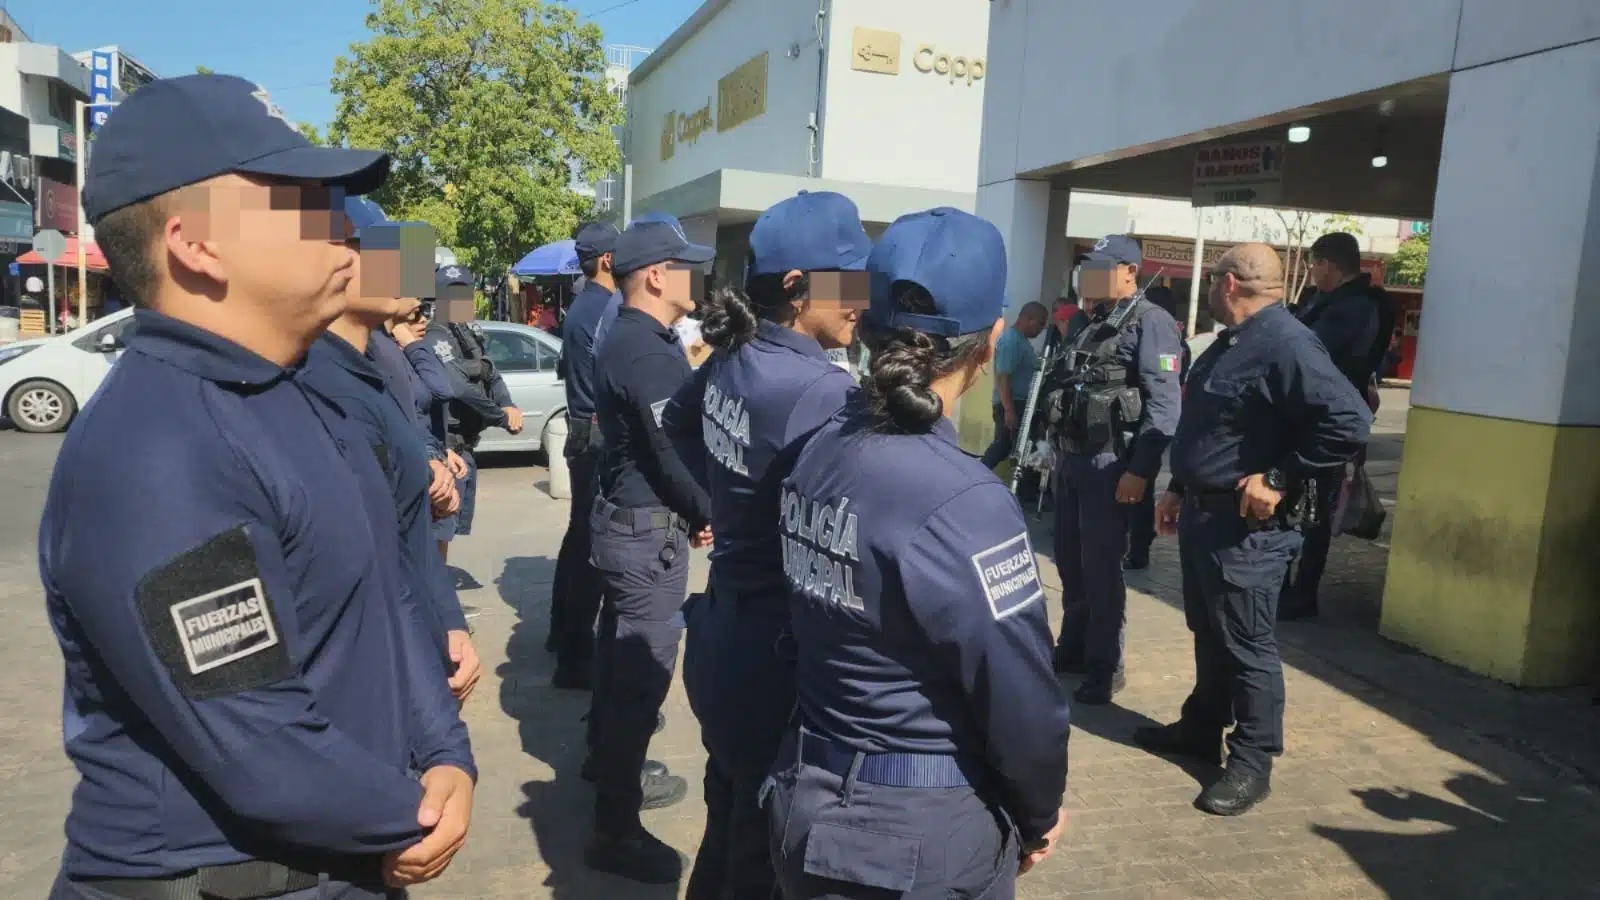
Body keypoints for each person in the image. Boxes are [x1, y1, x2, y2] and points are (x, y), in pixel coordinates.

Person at [40, 73, 474, 899]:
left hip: (346, 855)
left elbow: (389, 600)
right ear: (195, 244)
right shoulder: (157, 447)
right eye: (302, 198)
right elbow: (255, 739)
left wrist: (446, 749)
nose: (342, 224)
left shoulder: (306, 393)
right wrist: (411, 808)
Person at [765, 208, 1069, 899]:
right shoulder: (966, 500)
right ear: (991, 340)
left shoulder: (817, 447)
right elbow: (1021, 698)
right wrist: (1038, 816)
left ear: (864, 325)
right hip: (914, 839)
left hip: (806, 798)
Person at [662, 191, 870, 900]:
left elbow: (680, 427)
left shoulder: (734, 355)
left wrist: (723, 503)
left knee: (727, 827)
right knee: (761, 856)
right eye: (850, 283)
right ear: (795, 287)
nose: (861, 303)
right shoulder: (817, 389)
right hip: (775, 653)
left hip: (726, 630)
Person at [1136, 243, 1370, 816]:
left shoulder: (1286, 342)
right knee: (1210, 632)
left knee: (1247, 644)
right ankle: (1201, 727)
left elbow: (1349, 422)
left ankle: (1252, 761)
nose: (1210, 287)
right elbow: (1215, 424)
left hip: (1248, 530)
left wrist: (1278, 476)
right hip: (1204, 514)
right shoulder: (1234, 341)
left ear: (1232, 284)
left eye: (1213, 277)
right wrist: (1178, 486)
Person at [297, 196, 482, 703]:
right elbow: (366, 557)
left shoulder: (366, 368)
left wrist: (447, 619)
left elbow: (411, 533)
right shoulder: (318, 380)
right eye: (384, 252)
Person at [584, 212, 716, 882]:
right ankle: (615, 826)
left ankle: (607, 766)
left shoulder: (633, 334)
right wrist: (707, 509)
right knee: (640, 677)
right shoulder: (646, 349)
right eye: (685, 264)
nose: (696, 274)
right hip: (644, 537)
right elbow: (671, 450)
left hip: (630, 522)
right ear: (658, 276)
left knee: (617, 660)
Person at [1044, 235, 1183, 704]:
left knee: (1102, 571)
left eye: (1101, 268)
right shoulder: (1088, 321)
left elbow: (1163, 406)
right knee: (1070, 562)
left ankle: (1106, 666)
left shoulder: (1152, 322)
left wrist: (1140, 471)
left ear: (1129, 271)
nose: (1090, 276)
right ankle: (1074, 647)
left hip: (1110, 464)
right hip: (1071, 460)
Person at [1281, 232, 1395, 619]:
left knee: (1310, 511)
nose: (1311, 273)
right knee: (1303, 507)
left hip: (1324, 422)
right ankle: (1289, 590)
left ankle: (1299, 595)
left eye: (1313, 265)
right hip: (1321, 416)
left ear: (1328, 264)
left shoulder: (1353, 308)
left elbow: (1310, 356)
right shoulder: (1339, 303)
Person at [548, 222, 622, 687]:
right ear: (610, 260)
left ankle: (563, 636)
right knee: (592, 549)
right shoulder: (601, 309)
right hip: (595, 434)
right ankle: (575, 655)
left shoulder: (583, 306)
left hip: (584, 430)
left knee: (579, 541)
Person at [424, 265, 523, 565]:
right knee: (436, 535)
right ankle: (435, 603)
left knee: (446, 533)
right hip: (445, 448)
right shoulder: (435, 335)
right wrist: (501, 417)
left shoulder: (469, 333)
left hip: (464, 447)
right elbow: (459, 388)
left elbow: (491, 374)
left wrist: (508, 404)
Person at [1125, 285, 1192, 570]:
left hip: (1151, 426)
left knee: (1140, 489)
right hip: (1147, 425)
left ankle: (1139, 548)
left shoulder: (1165, 337)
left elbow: (1165, 389)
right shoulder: (1179, 342)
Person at [979, 300, 1047, 470]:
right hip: (1012, 404)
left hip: (1018, 404)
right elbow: (1004, 377)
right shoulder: (1011, 341)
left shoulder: (1021, 341)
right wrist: (1009, 410)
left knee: (1016, 448)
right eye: (1040, 323)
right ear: (1028, 318)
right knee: (1004, 446)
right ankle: (978, 474)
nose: (1041, 329)